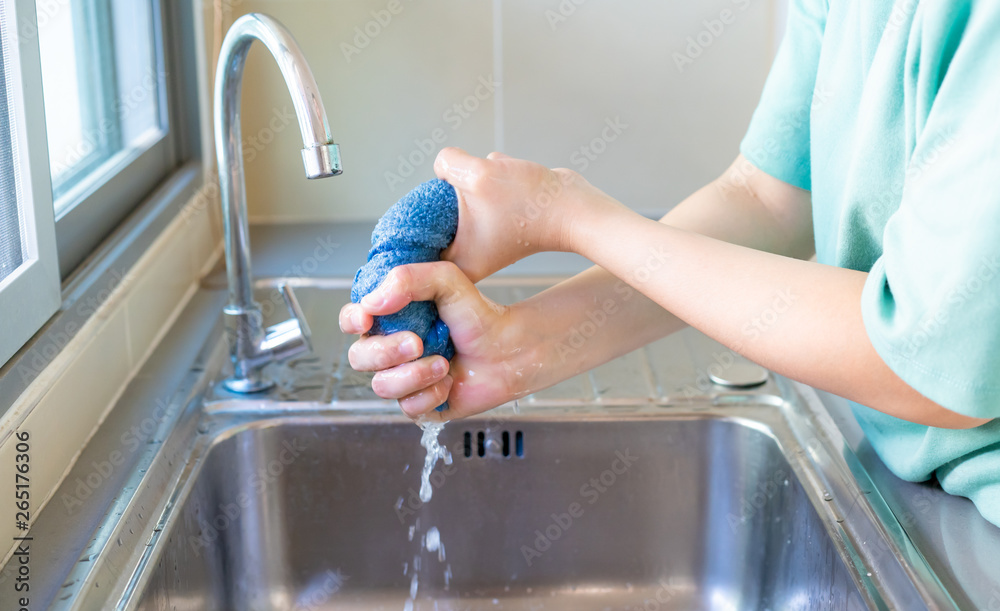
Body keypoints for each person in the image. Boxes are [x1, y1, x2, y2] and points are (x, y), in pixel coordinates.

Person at [340, 0, 1000, 527]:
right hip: (920, 486)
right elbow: (767, 200)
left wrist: (569, 214)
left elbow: (926, 366)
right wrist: (521, 345)